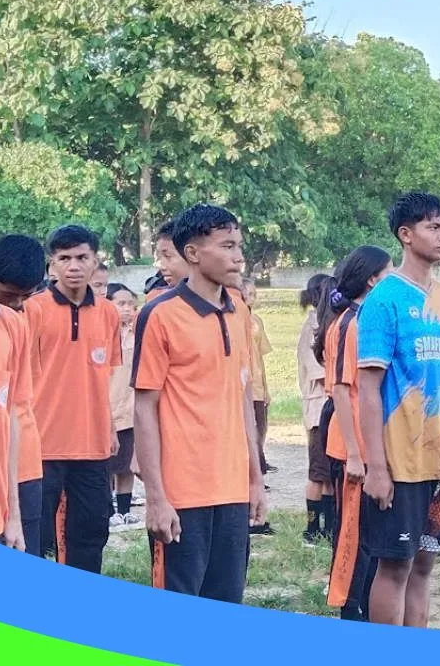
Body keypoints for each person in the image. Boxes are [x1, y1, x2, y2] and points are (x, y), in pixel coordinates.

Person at [133, 204, 267, 601]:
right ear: (193, 254)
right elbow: (144, 408)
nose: (238, 256)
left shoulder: (239, 309)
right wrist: (156, 498)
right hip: (182, 495)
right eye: (227, 246)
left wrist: (255, 479)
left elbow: (241, 395)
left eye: (239, 245)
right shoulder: (159, 315)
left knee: (227, 606)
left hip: (231, 491)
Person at [358, 193, 440, 629]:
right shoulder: (385, 300)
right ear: (406, 235)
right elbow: (367, 390)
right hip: (402, 462)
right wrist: (376, 468)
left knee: (425, 567)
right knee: (396, 568)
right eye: (432, 227)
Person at [25, 224, 121, 572]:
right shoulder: (33, 310)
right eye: (64, 258)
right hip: (42, 444)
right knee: (35, 537)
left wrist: (109, 428)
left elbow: (103, 377)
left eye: (82, 257)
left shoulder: (109, 313)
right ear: (52, 264)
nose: (74, 266)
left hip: (92, 446)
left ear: (96, 261)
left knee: (92, 533)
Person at [318, 246, 392, 621]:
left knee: (372, 539)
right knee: (352, 536)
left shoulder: (369, 319)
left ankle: (365, 605)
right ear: (372, 279)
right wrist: (354, 453)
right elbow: (342, 393)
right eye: (389, 273)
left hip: (372, 445)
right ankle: (350, 610)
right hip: (352, 448)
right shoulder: (349, 324)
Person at [0, 234, 46, 554]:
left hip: (13, 476)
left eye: (27, 296)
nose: (20, 304)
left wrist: (13, 512)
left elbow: (12, 408)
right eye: (11, 295)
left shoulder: (11, 324)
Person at [299, 273, 337, 544]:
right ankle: (311, 529)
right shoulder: (311, 327)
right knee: (317, 473)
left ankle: (329, 526)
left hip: (329, 408)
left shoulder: (325, 323)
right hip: (317, 409)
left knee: (329, 476)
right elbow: (320, 372)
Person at [106, 283, 141, 529]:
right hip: (106, 410)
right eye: (121, 304)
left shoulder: (136, 334)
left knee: (127, 464)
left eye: (130, 304)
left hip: (130, 410)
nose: (127, 309)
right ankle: (108, 509)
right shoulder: (103, 334)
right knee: (106, 465)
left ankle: (125, 509)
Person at [241, 281, 274, 480]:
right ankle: (251, 473)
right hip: (242, 385)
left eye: (254, 294)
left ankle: (258, 468)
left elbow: (260, 358)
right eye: (248, 293)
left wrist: (267, 388)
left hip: (258, 385)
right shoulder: (233, 320)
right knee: (247, 429)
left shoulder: (256, 321)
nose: (251, 298)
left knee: (260, 427)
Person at [144, 220, 189, 302]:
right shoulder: (156, 304)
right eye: (159, 257)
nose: (161, 266)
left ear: (192, 254)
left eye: (168, 256)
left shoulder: (218, 300)